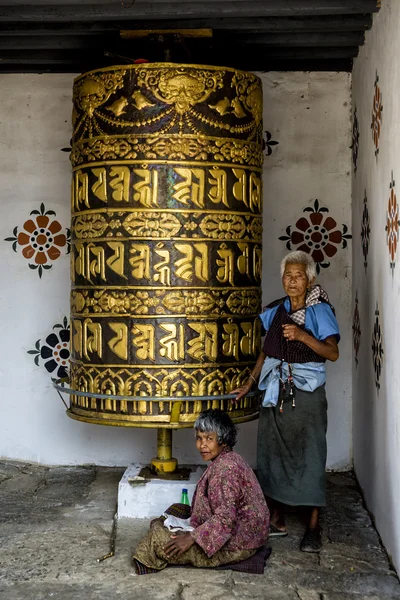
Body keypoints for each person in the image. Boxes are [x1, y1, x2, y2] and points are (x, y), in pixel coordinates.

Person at [233, 250, 340, 553]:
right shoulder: (275, 310)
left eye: (298, 276)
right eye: (288, 275)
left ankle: (313, 526)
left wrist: (303, 337)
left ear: (310, 279)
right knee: (272, 453)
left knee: (310, 454)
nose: (292, 281)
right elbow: (266, 352)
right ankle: (276, 518)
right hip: (275, 392)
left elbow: (332, 353)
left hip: (306, 395)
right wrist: (250, 383)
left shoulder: (319, 310)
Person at [132, 409, 270, 574]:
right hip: (248, 534)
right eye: (199, 438)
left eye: (209, 439)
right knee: (174, 511)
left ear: (223, 441)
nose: (202, 445)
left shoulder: (225, 470)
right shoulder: (228, 459)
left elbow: (226, 519)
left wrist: (192, 537)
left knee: (156, 542)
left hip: (239, 543)